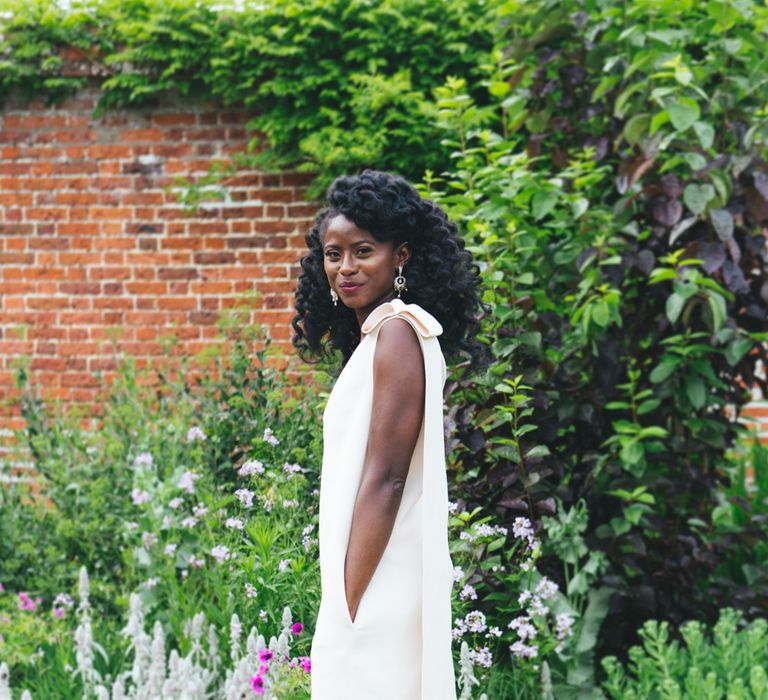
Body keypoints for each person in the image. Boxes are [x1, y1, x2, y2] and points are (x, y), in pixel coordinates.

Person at [291, 170, 487, 699]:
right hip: (373, 574)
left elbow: (387, 479)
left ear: (399, 256)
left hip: (378, 582)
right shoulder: (383, 334)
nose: (345, 268)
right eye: (334, 255)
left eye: (363, 251)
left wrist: (347, 604)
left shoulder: (400, 332)